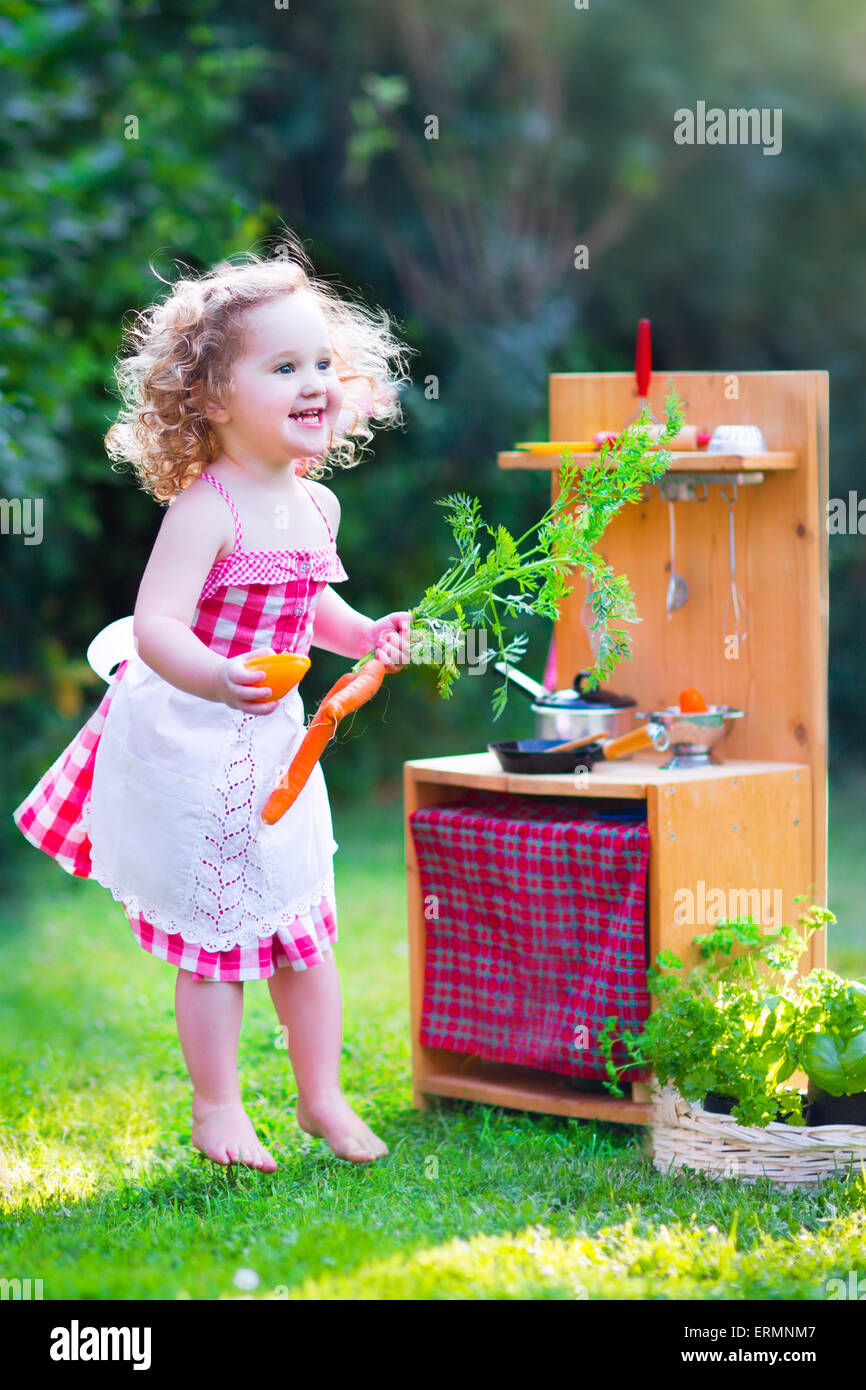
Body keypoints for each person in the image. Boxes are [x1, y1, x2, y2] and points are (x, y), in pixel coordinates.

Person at [12, 240, 416, 1170]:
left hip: (275, 748)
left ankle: (322, 1099)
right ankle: (217, 1108)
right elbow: (157, 623)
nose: (314, 383)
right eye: (284, 367)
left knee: (304, 930)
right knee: (216, 942)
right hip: (194, 742)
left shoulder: (317, 507)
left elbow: (310, 609)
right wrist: (215, 676)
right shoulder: (207, 508)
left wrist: (366, 634)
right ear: (213, 398)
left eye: (322, 364)